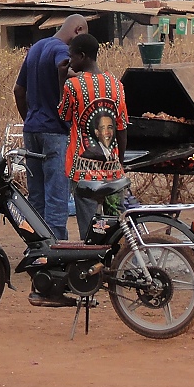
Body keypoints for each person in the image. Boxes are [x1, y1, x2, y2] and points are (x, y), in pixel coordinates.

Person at [12, 14, 89, 241]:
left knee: (36, 197)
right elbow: (65, 71)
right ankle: (56, 252)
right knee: (56, 196)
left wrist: (30, 120)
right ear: (77, 31)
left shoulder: (36, 48)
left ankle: (37, 247)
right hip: (55, 132)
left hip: (32, 131)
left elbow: (18, 90)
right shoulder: (61, 51)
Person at [57, 33, 129, 240]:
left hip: (84, 172)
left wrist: (61, 78)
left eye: (72, 56)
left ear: (82, 56)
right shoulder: (116, 84)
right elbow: (122, 128)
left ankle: (93, 266)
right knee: (116, 229)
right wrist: (119, 164)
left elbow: (63, 115)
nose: (70, 61)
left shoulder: (73, 85)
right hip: (112, 170)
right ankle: (116, 265)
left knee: (90, 230)